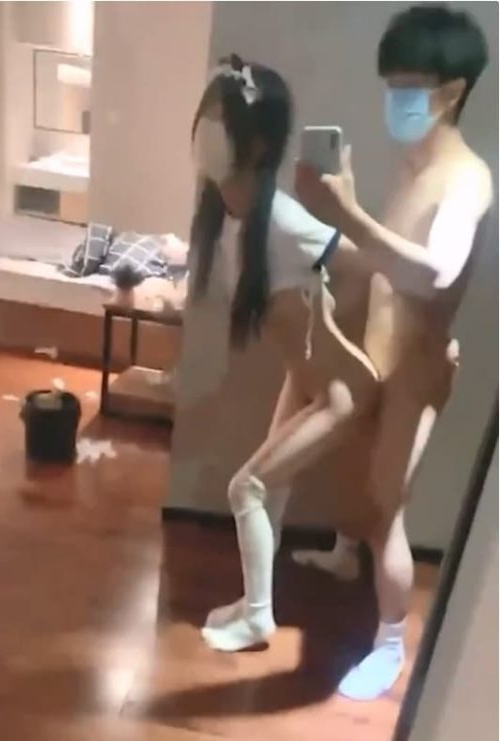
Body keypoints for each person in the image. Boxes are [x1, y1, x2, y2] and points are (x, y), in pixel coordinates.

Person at [294, 5, 492, 700]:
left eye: (409, 88)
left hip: (417, 366)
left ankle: (388, 643)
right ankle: (344, 555)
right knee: (354, 469)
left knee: (388, 506)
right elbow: (382, 260)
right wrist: (321, 240)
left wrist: (348, 216)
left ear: (453, 91)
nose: (395, 101)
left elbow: (435, 272)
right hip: (374, 348)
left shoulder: (467, 178)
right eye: (392, 85)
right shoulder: (413, 166)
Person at [188, 55, 380, 653]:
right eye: (205, 117)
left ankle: (258, 620)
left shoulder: (283, 222)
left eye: (221, 121)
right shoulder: (228, 217)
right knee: (268, 491)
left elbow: (367, 266)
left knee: (246, 488)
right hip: (305, 380)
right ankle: (255, 602)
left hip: (340, 393)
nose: (206, 132)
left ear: (258, 143)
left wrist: (332, 322)